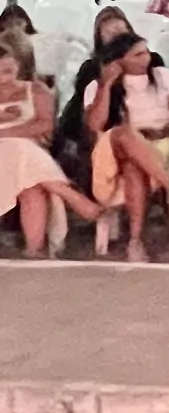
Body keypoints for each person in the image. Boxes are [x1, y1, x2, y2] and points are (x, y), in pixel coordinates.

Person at [81, 31, 169, 262]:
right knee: (124, 133)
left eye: (146, 51)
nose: (146, 58)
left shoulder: (163, 76)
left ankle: (135, 242)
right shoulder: (97, 87)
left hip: (159, 142)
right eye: (138, 54)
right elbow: (95, 125)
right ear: (119, 60)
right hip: (112, 148)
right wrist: (108, 84)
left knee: (133, 167)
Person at [0, 35, 103, 256]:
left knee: (30, 183)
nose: (7, 77)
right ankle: (69, 194)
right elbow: (33, 127)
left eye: (10, 70)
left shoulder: (35, 90)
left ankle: (33, 249)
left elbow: (45, 126)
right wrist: (19, 132)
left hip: (29, 155)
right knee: (18, 151)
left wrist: (5, 133)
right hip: (19, 155)